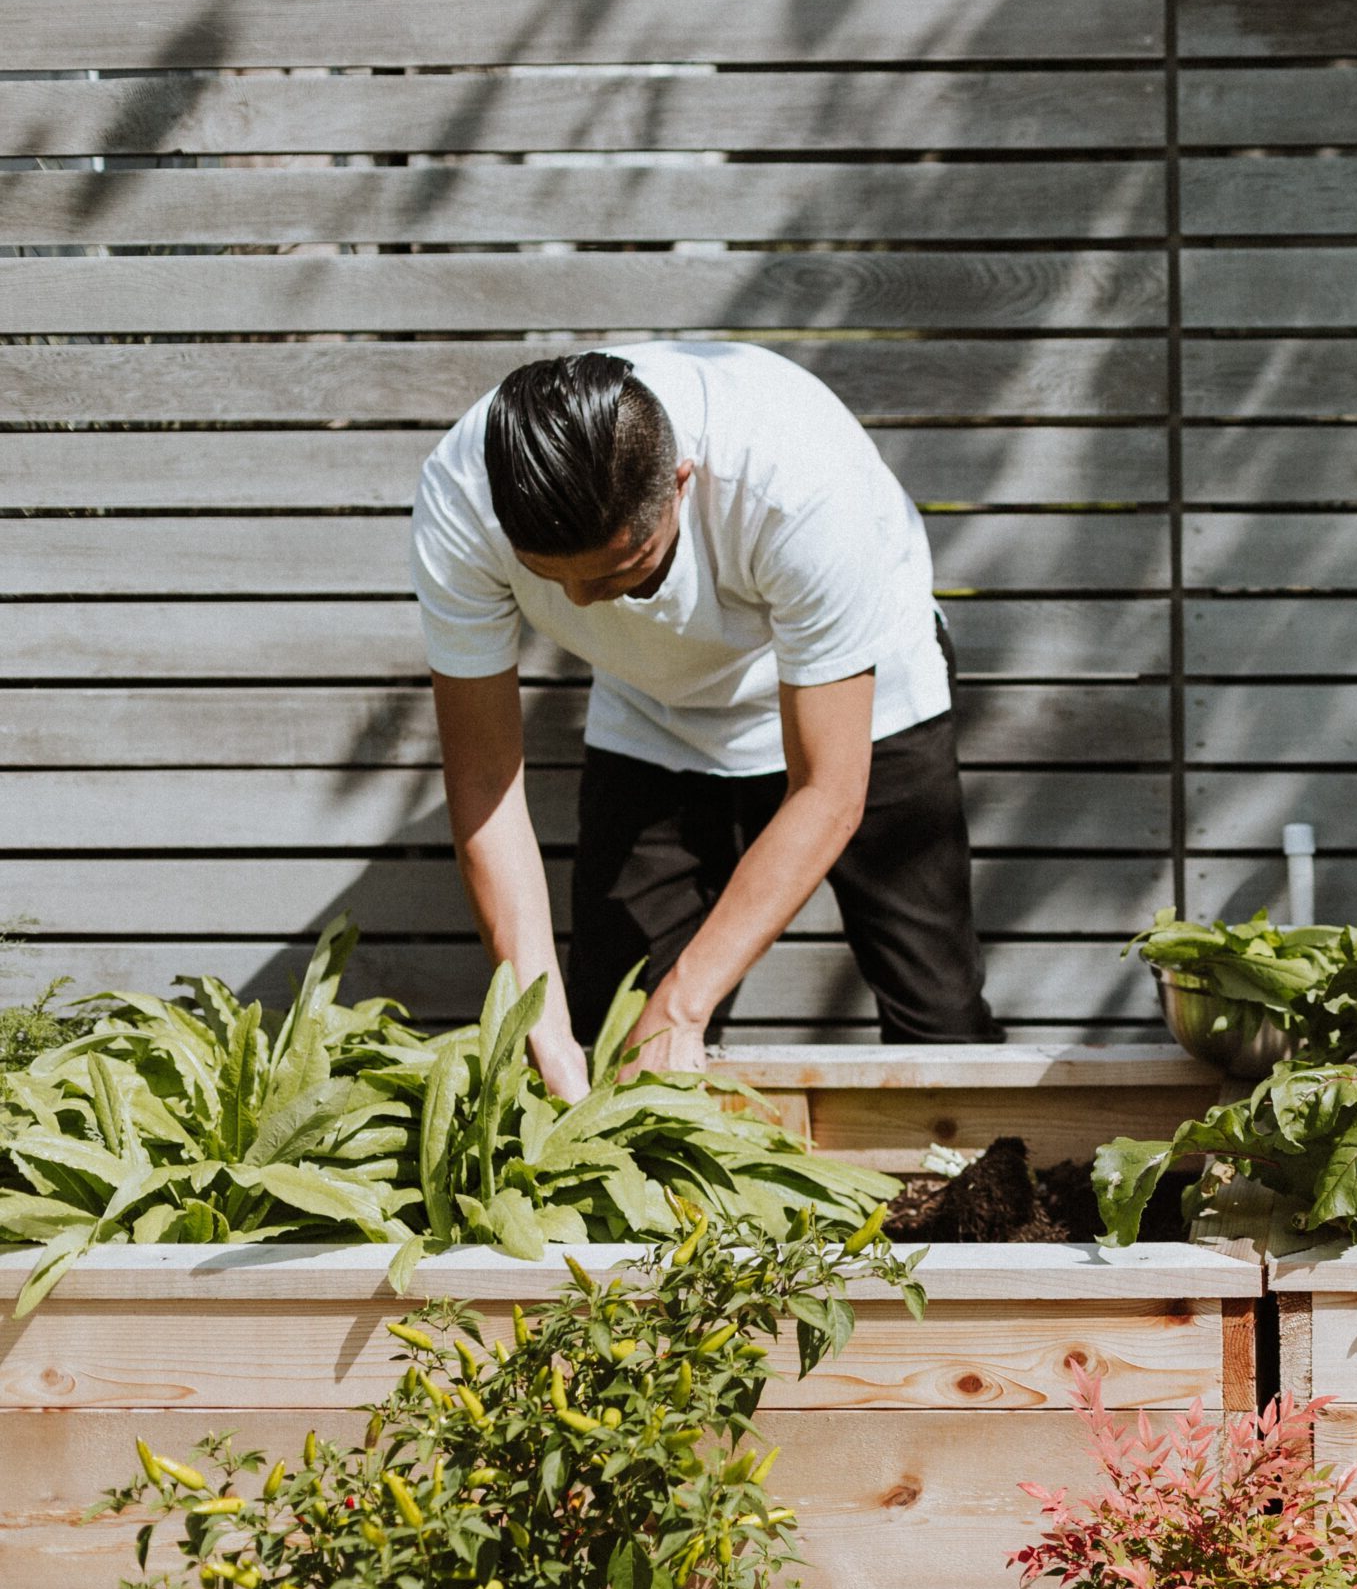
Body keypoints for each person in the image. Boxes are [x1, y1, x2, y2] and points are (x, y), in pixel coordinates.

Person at [411, 341, 1001, 1099]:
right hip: (655, 708)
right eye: (551, 580)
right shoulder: (462, 496)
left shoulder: (796, 481)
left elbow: (828, 790)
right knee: (615, 1032)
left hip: (867, 699)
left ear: (680, 484)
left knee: (939, 1021)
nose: (584, 605)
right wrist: (541, 1023)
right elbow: (487, 780)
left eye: (624, 571)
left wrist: (685, 1004)